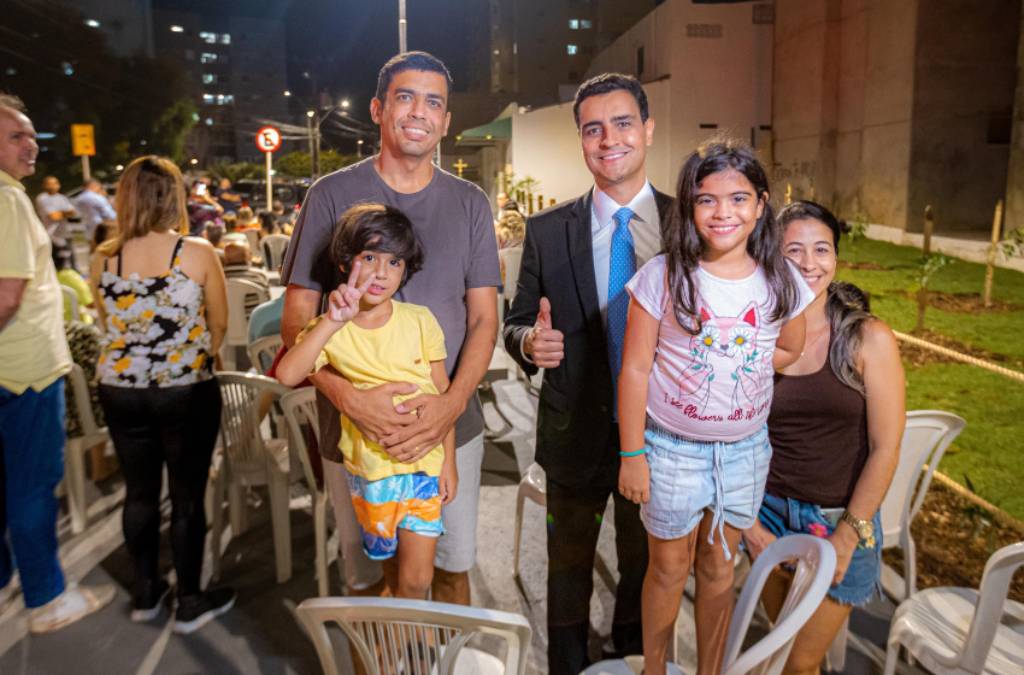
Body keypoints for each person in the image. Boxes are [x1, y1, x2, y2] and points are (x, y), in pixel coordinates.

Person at [281, 50, 499, 605]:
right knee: (365, 577)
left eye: (434, 102)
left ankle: (438, 655)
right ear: (379, 109)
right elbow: (297, 322)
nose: (419, 111)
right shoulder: (330, 195)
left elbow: (483, 319)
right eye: (405, 97)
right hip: (353, 434)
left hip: (449, 428)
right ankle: (379, 654)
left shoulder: (470, 202)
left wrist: (449, 406)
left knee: (449, 570)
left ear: (446, 121)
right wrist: (349, 398)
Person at [616, 139, 815, 675]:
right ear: (689, 206)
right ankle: (655, 668)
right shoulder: (664, 276)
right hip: (670, 451)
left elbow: (790, 346)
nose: (723, 212)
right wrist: (632, 454)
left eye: (738, 198)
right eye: (707, 200)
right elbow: (635, 369)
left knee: (720, 567)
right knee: (667, 568)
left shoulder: (781, 279)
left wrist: (741, 364)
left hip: (744, 453)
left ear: (762, 204)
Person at [503, 73, 673, 673]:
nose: (609, 140)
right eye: (593, 129)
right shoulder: (548, 231)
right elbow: (516, 321)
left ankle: (629, 654)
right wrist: (531, 342)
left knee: (644, 564)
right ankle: (568, 665)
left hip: (659, 435)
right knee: (568, 567)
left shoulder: (686, 226)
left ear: (647, 130)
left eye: (623, 124)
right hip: (572, 431)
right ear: (580, 139)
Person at [742, 201, 905, 675]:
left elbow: (886, 448)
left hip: (837, 521)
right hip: (768, 514)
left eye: (822, 249)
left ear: (836, 257)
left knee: (797, 662)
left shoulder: (867, 338)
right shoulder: (756, 333)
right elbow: (732, 431)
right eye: (794, 250)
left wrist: (847, 536)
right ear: (772, 256)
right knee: (780, 652)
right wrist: (748, 524)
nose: (809, 263)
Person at [279, 203, 457, 598]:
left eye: (394, 262)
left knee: (418, 579)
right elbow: (288, 375)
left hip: (424, 465)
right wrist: (331, 321)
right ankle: (397, 633)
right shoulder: (330, 327)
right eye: (370, 257)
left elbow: (441, 394)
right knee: (388, 570)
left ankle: (410, 634)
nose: (381, 272)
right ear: (346, 262)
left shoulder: (420, 319)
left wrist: (450, 463)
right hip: (371, 473)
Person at [89, 155, 232, 634]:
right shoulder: (196, 252)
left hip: (120, 388)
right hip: (184, 388)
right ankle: (189, 599)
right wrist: (192, 355)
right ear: (175, 197)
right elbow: (219, 324)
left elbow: (108, 322)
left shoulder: (104, 256)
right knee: (187, 495)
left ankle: (146, 591)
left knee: (139, 492)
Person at [0, 93, 114, 633]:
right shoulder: (9, 200)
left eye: (31, 134)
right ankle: (46, 598)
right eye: (16, 136)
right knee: (31, 485)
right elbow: (8, 295)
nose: (32, 145)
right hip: (25, 371)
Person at [52, 243, 95, 324]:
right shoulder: (71, 276)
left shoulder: (45, 278)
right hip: (77, 325)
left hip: (55, 324)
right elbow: (90, 304)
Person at [35, 175, 77, 246]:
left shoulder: (61, 197)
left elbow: (73, 213)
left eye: (56, 183)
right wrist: (65, 213)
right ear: (45, 186)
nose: (54, 186)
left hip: (65, 234)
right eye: (51, 184)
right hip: (52, 236)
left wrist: (61, 213)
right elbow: (54, 216)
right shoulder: (43, 198)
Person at [73, 178, 116, 243]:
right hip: (101, 228)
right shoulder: (97, 197)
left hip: (87, 227)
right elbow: (109, 214)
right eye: (99, 187)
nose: (99, 189)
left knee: (92, 245)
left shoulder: (79, 198)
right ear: (93, 185)